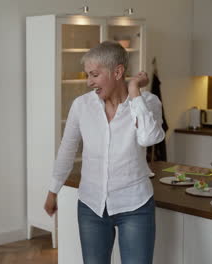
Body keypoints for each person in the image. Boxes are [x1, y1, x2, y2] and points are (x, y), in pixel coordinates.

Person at [44, 41, 165, 264]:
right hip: (92, 207)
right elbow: (67, 150)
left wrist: (134, 90)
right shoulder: (81, 106)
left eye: (94, 75)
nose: (89, 82)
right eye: (88, 75)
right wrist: (53, 191)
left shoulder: (148, 102)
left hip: (135, 205)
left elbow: (149, 138)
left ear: (118, 72)